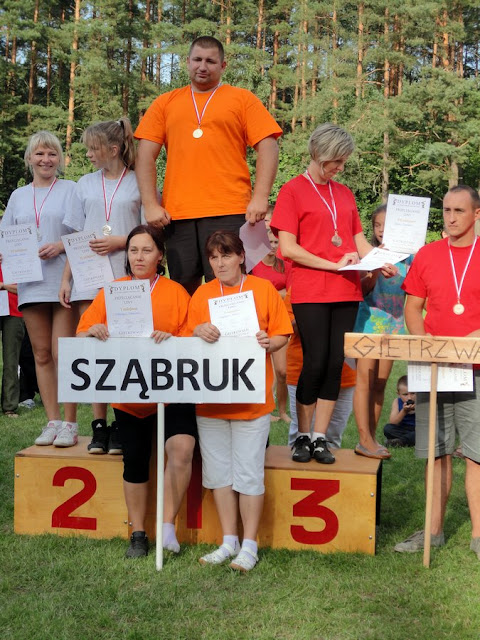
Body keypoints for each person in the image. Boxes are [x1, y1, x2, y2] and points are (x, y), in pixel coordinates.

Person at [270, 123, 396, 464]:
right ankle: (301, 436)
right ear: (318, 153)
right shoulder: (292, 191)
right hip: (310, 290)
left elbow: (358, 242)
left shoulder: (344, 193)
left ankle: (320, 438)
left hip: (346, 290)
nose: (340, 167)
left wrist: (379, 260)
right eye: (336, 161)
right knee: (315, 361)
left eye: (343, 161)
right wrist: (333, 265)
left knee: (335, 364)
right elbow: (288, 248)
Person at [76, 224, 197, 558]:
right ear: (126, 256)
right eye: (133, 250)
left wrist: (173, 339)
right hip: (130, 395)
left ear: (160, 256)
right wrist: (93, 330)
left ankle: (167, 527)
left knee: (182, 448)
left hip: (172, 392)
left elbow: (191, 336)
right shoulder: (113, 291)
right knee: (134, 461)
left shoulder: (176, 292)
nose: (139, 257)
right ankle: (139, 534)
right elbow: (82, 331)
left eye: (146, 250)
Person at [134, 36, 282, 295]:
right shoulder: (165, 102)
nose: (203, 66)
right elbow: (145, 155)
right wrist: (150, 204)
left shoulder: (242, 99)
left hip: (230, 209)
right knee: (182, 289)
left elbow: (268, 146)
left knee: (230, 289)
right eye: (197, 59)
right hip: (178, 214)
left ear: (223, 65)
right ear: (187, 62)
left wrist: (260, 197)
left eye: (211, 61)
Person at [187, 231, 292, 571]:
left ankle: (250, 545)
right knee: (218, 474)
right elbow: (187, 336)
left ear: (241, 257)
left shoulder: (262, 289)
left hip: (251, 401)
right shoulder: (202, 294)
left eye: (226, 255)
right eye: (214, 257)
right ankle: (228, 541)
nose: (219, 263)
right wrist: (197, 330)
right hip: (210, 401)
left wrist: (269, 342)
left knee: (248, 474)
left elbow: (281, 332)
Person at [394, 185, 480, 559]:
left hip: (475, 368)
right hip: (433, 366)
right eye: (446, 210)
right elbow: (412, 308)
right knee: (436, 452)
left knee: (476, 454)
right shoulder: (428, 254)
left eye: (459, 210)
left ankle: (479, 536)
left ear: (477, 214)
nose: (451, 217)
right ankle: (432, 532)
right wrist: (423, 341)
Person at [60, 117, 142, 455]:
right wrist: (66, 278)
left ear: (114, 149)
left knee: (122, 351)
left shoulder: (139, 181)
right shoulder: (83, 184)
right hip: (88, 278)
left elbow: (149, 233)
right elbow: (75, 237)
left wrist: (120, 241)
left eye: (94, 148)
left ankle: (122, 424)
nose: (89, 154)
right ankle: (98, 426)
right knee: (95, 351)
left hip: (126, 276)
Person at [0, 131, 78, 446]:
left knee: (63, 353)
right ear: (30, 158)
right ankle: (52, 421)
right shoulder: (18, 196)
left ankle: (70, 423)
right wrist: (9, 256)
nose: (46, 160)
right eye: (40, 154)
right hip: (30, 284)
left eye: (52, 154)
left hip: (64, 283)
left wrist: (60, 245)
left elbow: (83, 233)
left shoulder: (71, 190)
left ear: (60, 159)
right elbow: (6, 238)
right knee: (41, 354)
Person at [352, 204, 412, 459]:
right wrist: (375, 270)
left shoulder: (410, 258)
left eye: (386, 226)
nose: (380, 230)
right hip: (367, 323)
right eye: (377, 225)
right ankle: (363, 438)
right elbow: (361, 289)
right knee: (364, 382)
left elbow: (415, 290)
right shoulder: (367, 254)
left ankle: (372, 438)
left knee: (380, 383)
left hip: (393, 326)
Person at [284, 288, 356, 447]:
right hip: (301, 370)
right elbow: (287, 326)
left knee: (333, 435)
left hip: (344, 374)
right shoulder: (300, 287)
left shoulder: (349, 287)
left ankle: (326, 459)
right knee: (300, 433)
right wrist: (314, 315)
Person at [252, 228, 292, 422]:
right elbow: (251, 293)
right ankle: (265, 410)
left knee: (282, 372)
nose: (273, 246)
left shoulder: (286, 267)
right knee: (260, 370)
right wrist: (278, 293)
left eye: (276, 243)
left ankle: (282, 411)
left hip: (280, 321)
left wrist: (267, 293)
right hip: (258, 323)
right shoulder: (253, 267)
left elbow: (290, 293)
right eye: (269, 243)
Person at [0, 267, 25, 417]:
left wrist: (3, 285)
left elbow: (26, 288)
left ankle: (9, 406)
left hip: (14, 309)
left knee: (11, 360)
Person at [383, 375, 416, 448]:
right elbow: (393, 422)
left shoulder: (421, 402)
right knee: (388, 429)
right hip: (403, 428)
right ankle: (403, 440)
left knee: (423, 433)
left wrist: (418, 409)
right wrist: (404, 411)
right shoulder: (397, 402)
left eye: (413, 393)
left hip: (417, 429)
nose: (409, 397)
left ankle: (400, 441)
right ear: (399, 394)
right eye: (405, 394)